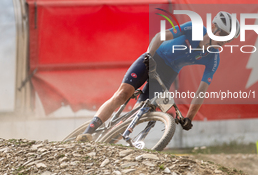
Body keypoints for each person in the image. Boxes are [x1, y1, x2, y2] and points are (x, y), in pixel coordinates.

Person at [76, 11, 240, 142]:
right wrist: (149, 56)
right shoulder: (194, 28)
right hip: (154, 57)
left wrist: (189, 118)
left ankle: (110, 142)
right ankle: (88, 131)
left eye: (229, 39)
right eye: (223, 34)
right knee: (122, 94)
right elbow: (160, 37)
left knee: (141, 113)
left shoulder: (213, 58)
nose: (224, 42)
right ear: (213, 27)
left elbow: (201, 91)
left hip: (168, 72)